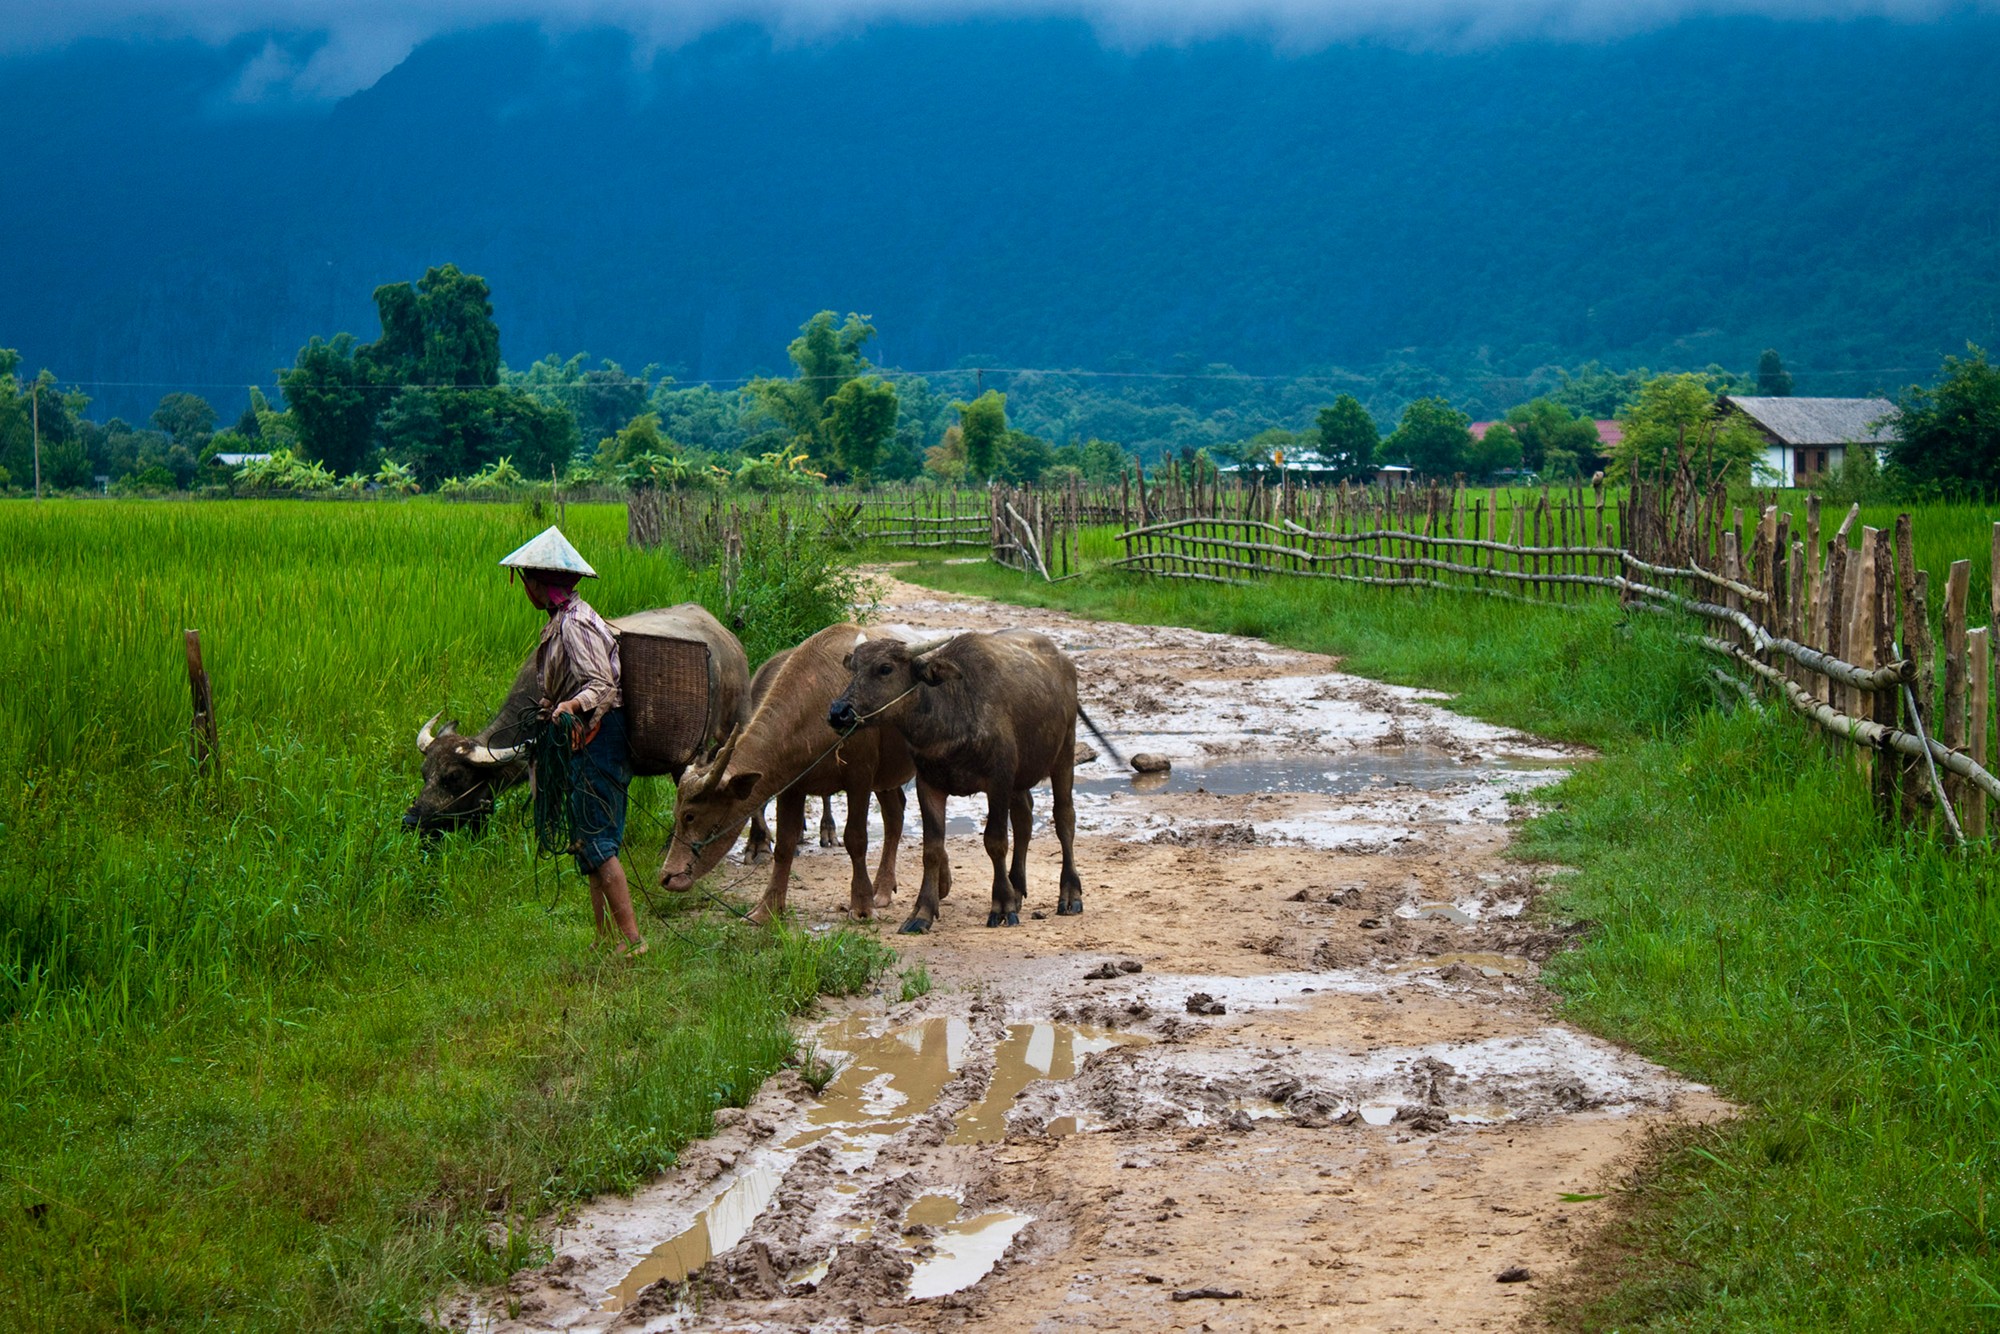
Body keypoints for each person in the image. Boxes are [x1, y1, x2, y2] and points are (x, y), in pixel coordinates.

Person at [499, 526, 646, 957]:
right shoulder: (563, 620)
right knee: (587, 839)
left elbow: (601, 685)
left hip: (600, 736)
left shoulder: (576, 624)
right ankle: (604, 938)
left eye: (526, 580)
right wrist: (550, 704)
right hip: (588, 737)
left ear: (539, 583)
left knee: (598, 841)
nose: (524, 588)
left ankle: (634, 942)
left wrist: (568, 708)